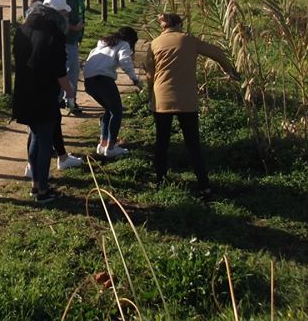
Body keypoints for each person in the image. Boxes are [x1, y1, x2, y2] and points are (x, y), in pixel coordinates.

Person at [145, 13, 240, 200]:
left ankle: (160, 181)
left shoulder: (154, 43)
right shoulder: (189, 40)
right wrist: (228, 70)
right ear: (180, 24)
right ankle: (204, 186)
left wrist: (151, 96)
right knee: (193, 145)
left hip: (162, 99)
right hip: (187, 100)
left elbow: (150, 75)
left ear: (164, 27)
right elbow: (218, 53)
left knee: (162, 142)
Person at [13, 0, 76, 204]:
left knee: (34, 137)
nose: (66, 17)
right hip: (43, 94)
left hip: (24, 91)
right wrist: (69, 90)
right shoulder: (54, 35)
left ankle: (35, 184)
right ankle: (42, 190)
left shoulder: (23, 28)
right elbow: (59, 70)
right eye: (65, 13)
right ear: (58, 13)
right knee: (44, 141)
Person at [83, 26, 142, 158]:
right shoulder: (124, 44)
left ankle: (102, 144)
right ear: (130, 39)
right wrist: (135, 79)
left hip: (89, 81)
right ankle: (111, 147)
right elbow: (125, 61)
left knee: (109, 110)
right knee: (117, 112)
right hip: (103, 80)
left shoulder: (102, 45)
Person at [57, 0, 90, 115]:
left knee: (65, 69)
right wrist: (74, 27)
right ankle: (70, 101)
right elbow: (59, 16)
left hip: (73, 37)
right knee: (73, 70)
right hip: (67, 38)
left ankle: (61, 99)